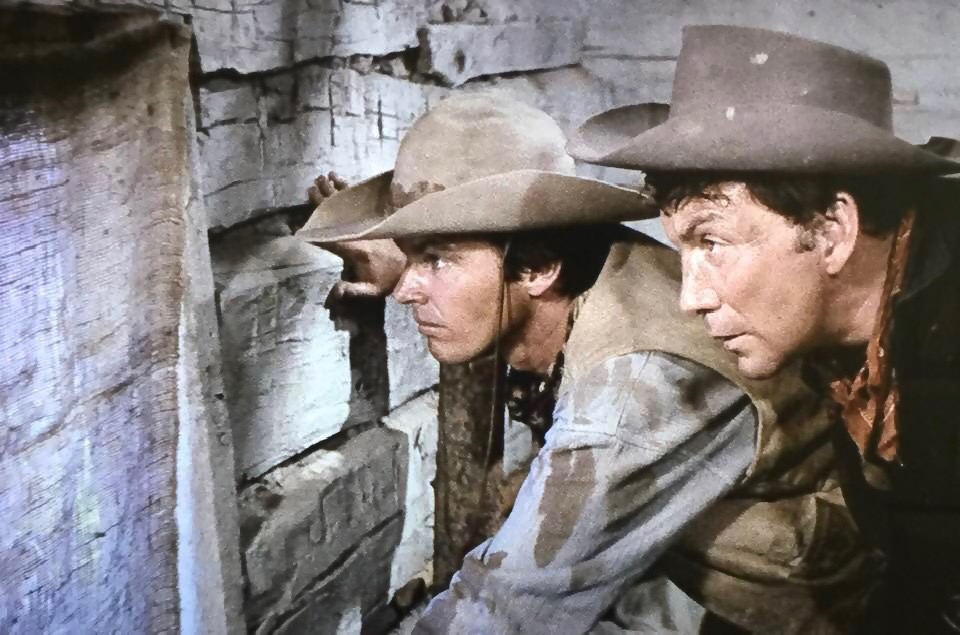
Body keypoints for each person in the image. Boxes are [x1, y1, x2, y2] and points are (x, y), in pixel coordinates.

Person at [298, 92, 872, 633]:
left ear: (537, 267)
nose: (407, 291)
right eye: (410, 256)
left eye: (437, 260)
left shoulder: (636, 389)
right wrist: (412, 258)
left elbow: (505, 609)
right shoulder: (587, 262)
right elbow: (483, 268)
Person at [567, 24, 960, 634]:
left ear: (832, 231)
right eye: (684, 250)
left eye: (712, 242)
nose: (690, 300)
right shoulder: (848, 336)